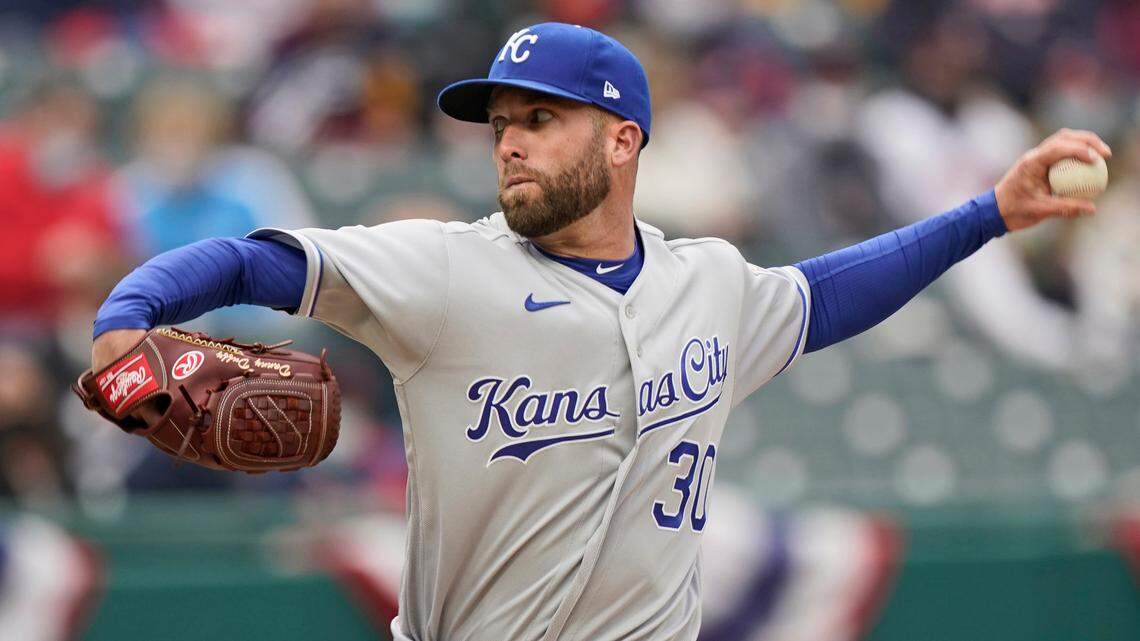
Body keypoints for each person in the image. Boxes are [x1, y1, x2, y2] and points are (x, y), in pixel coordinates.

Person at [88, 23, 1109, 641]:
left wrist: (989, 214)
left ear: (623, 139)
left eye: (543, 119)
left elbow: (829, 292)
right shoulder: (445, 270)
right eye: (502, 125)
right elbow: (247, 261)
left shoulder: (705, 282)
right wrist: (124, 323)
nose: (512, 144)